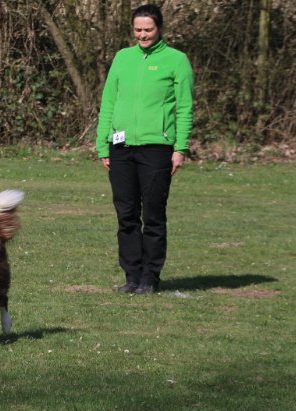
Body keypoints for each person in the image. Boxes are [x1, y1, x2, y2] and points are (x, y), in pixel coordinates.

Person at [95, 3, 193, 294]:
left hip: (157, 148)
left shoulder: (177, 61)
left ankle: (150, 277)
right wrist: (103, 145)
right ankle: (132, 275)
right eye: (138, 29)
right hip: (121, 147)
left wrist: (180, 148)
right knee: (126, 214)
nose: (142, 35)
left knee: (153, 214)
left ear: (159, 28)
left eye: (148, 29)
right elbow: (108, 103)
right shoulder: (122, 58)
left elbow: (185, 108)